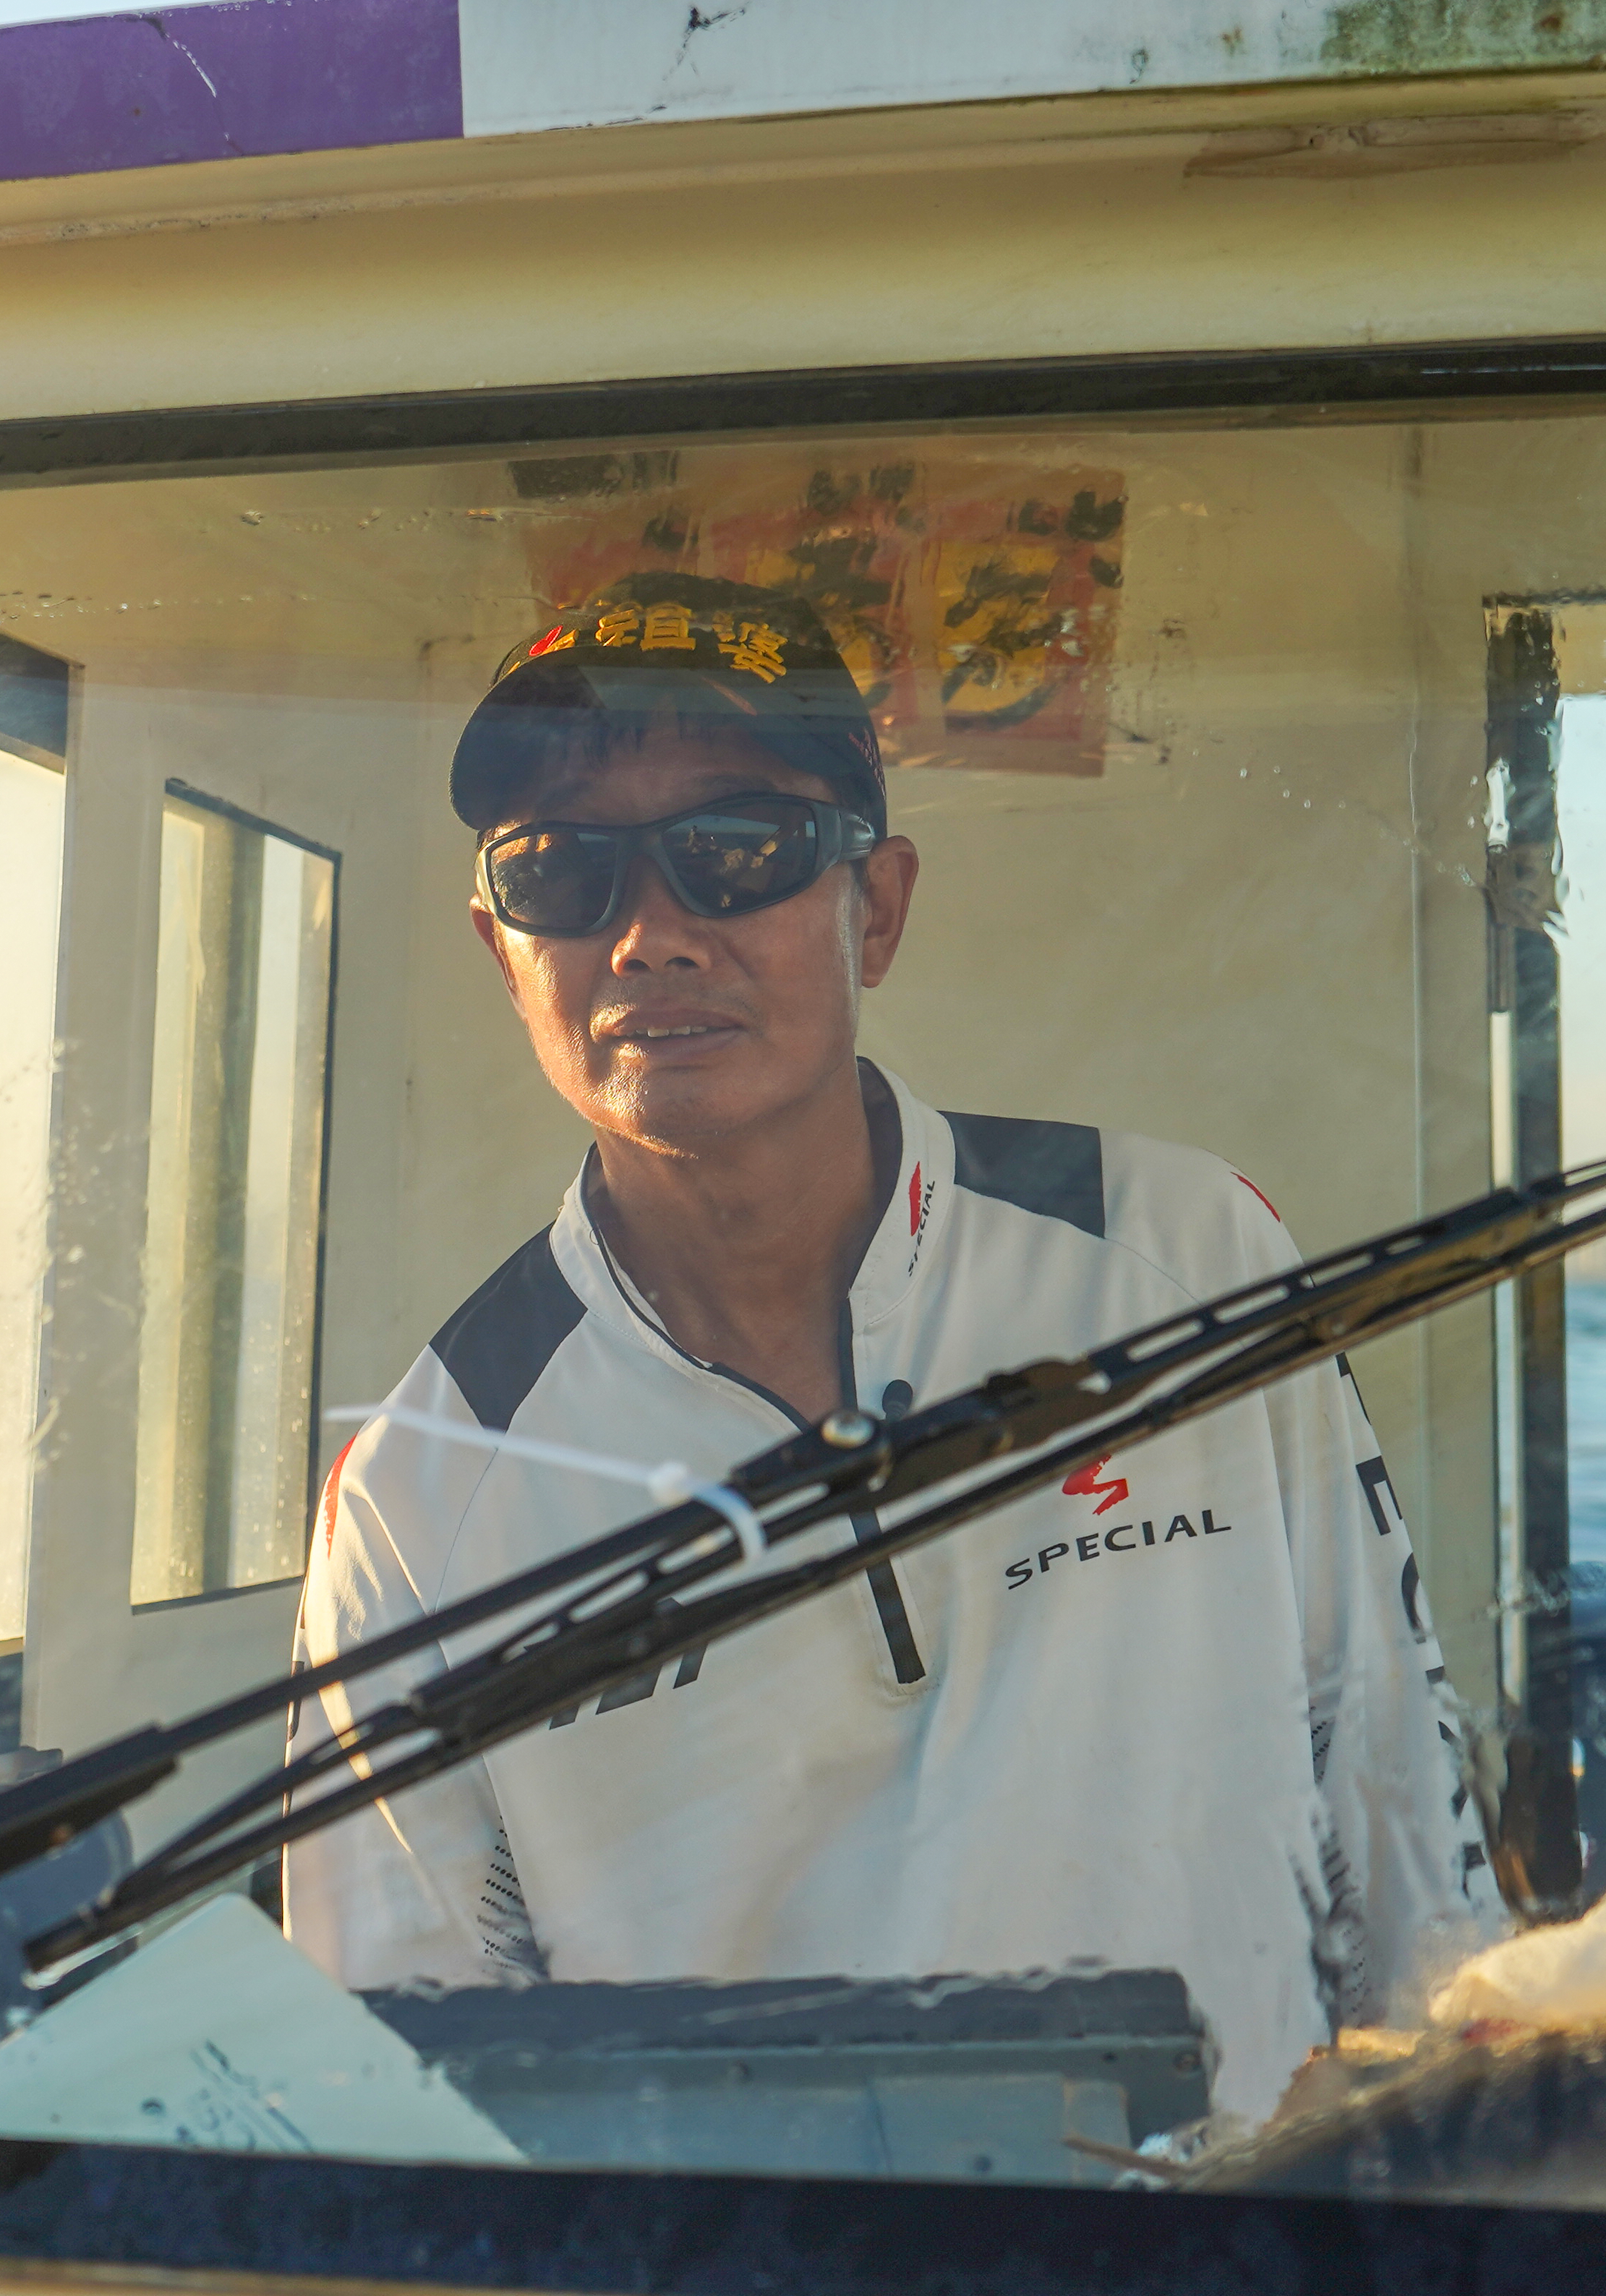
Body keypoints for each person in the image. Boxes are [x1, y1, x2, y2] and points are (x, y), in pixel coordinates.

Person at [281, 572, 1495, 2123]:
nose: (648, 936)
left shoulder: (1181, 1254)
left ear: (879, 906)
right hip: (768, 2283)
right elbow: (403, 2084)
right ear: (499, 946)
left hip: (1240, 2243)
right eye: (560, 871)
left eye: (737, 849)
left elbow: (1396, 1785)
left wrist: (1456, 2167)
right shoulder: (422, 1489)